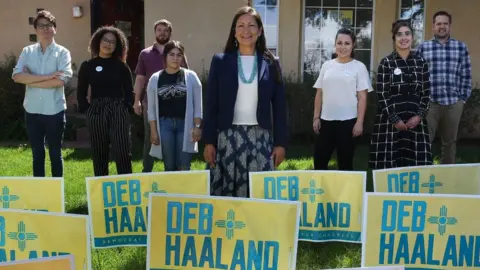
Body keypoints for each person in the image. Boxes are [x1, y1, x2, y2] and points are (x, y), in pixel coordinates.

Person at [203, 6, 288, 197]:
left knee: (259, 195)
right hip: (227, 138)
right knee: (225, 196)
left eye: (251, 25)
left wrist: (281, 143)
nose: (246, 30)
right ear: (234, 32)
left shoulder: (271, 63)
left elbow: (281, 107)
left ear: (259, 31)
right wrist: (208, 141)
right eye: (240, 25)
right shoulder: (220, 61)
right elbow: (211, 105)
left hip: (260, 139)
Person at [12, 10, 73, 177]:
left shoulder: (63, 53)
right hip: (32, 110)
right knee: (37, 155)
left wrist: (30, 78)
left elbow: (60, 81)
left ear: (55, 29)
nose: (45, 29)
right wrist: (47, 77)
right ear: (36, 29)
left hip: (55, 110)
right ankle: (41, 195)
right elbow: (17, 76)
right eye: (41, 26)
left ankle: (56, 196)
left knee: (55, 155)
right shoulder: (27, 51)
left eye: (49, 25)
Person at [369, 20, 432, 169]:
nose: (403, 38)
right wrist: (395, 119)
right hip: (390, 124)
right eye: (399, 34)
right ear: (394, 38)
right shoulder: (386, 63)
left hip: (415, 123)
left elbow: (426, 93)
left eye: (407, 34)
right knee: (389, 169)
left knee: (416, 168)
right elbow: (382, 94)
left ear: (412, 37)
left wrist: (419, 116)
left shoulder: (421, 62)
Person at [415, 11, 472, 164]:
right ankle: (423, 174)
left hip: (453, 103)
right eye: (439, 23)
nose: (442, 27)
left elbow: (466, 75)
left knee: (449, 143)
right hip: (430, 104)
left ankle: (447, 178)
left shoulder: (460, 48)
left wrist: (462, 100)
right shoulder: (423, 48)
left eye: (445, 23)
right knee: (424, 142)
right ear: (433, 27)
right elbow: (417, 76)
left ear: (450, 26)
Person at [77, 26, 134, 176]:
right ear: (98, 41)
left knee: (122, 151)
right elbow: (81, 91)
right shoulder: (88, 66)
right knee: (99, 151)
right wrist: (87, 109)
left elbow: (129, 91)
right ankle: (101, 190)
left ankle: (126, 187)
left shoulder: (122, 67)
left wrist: (126, 107)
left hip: (118, 109)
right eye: (105, 40)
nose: (108, 44)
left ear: (117, 46)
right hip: (96, 110)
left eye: (112, 42)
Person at [133, 19, 189, 173]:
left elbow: (187, 78)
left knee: (175, 138)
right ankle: (147, 171)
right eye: (159, 30)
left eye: (165, 30)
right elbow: (140, 78)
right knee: (150, 138)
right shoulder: (145, 54)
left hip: (174, 105)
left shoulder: (177, 53)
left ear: (170, 33)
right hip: (150, 103)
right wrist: (136, 101)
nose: (162, 33)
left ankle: (174, 171)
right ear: (155, 32)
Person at [312, 28, 372, 171]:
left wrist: (359, 122)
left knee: (345, 165)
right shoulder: (327, 66)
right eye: (339, 43)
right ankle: (321, 192)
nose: (343, 47)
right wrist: (316, 117)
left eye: (347, 43)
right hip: (326, 123)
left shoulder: (359, 67)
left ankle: (345, 193)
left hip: (348, 124)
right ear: (335, 44)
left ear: (353, 45)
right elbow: (319, 93)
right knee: (319, 162)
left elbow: (363, 97)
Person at [146, 41, 202, 171]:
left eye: (179, 55)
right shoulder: (155, 78)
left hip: (186, 125)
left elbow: (198, 106)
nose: (175, 58)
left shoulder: (191, 77)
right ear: (165, 56)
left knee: (184, 166)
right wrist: (153, 131)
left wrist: (197, 127)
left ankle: (184, 191)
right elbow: (152, 109)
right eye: (172, 54)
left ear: (183, 57)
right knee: (169, 166)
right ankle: (171, 191)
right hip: (164, 125)